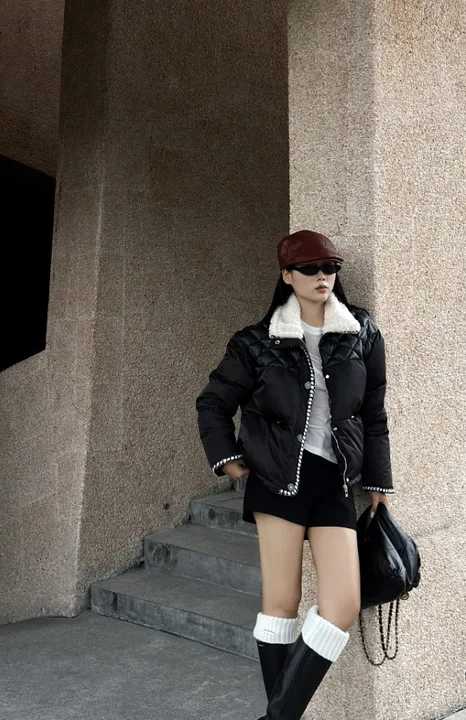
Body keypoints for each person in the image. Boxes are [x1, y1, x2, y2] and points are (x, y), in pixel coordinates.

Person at [196, 229, 395, 719]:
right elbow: (213, 402)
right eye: (309, 269)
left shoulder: (361, 332)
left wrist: (378, 485)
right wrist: (227, 457)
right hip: (278, 480)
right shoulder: (255, 342)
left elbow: (374, 414)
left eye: (330, 268)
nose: (322, 276)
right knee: (282, 603)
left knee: (343, 604)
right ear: (287, 276)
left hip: (333, 481)